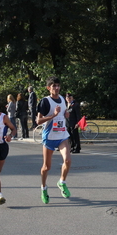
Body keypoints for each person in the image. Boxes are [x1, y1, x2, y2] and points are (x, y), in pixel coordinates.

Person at [36, 76, 71, 204]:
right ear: (48, 88)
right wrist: (53, 116)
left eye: (58, 85)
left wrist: (66, 114)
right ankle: (44, 188)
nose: (56, 88)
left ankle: (62, 182)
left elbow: (64, 114)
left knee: (67, 160)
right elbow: (38, 121)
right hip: (49, 137)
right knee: (46, 167)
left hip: (62, 135)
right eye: (53, 86)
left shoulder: (62, 98)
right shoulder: (45, 102)